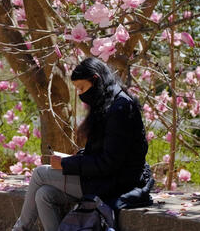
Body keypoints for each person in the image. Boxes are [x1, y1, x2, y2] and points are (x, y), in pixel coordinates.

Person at [12, 57, 150, 231]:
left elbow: (109, 163)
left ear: (96, 79)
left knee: (40, 173)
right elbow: (104, 149)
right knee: (43, 194)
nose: (80, 94)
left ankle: (19, 229)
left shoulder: (120, 108)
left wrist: (67, 164)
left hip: (117, 183)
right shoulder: (107, 102)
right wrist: (78, 157)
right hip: (106, 178)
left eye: (82, 88)